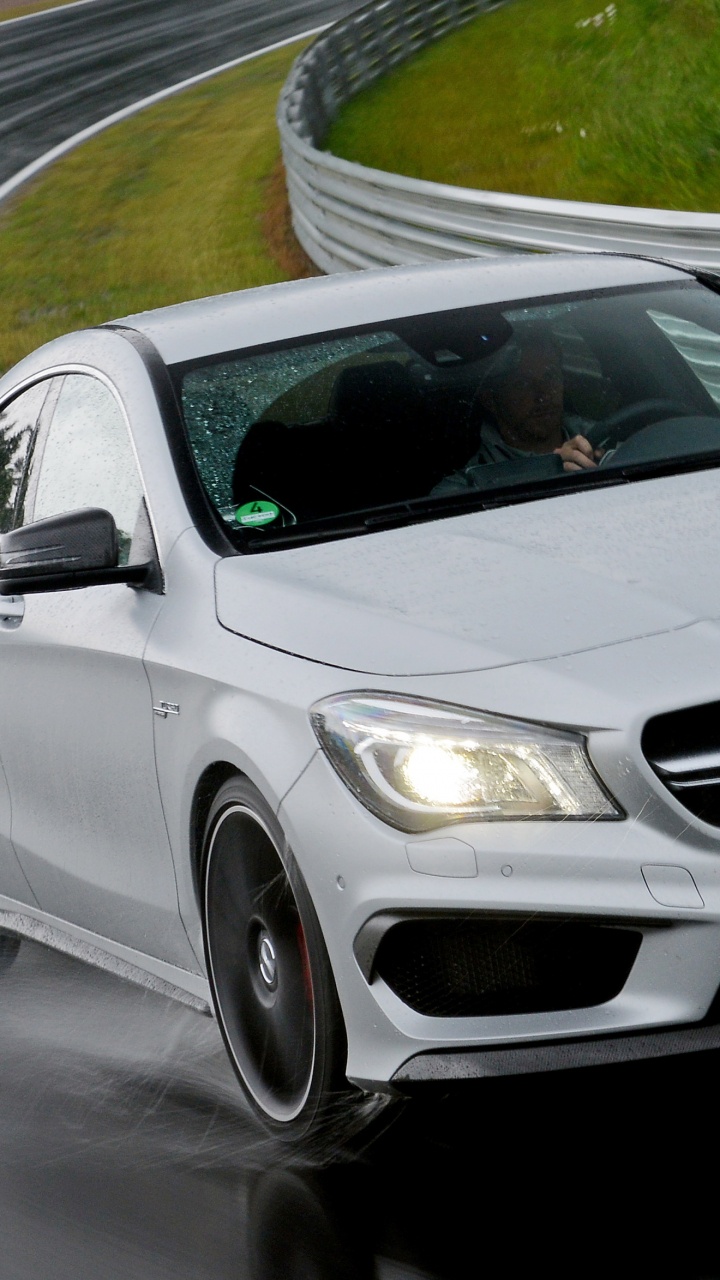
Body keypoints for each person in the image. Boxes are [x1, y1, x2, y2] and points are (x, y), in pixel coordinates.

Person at [434, 327, 601, 496]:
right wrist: (555, 470)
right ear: (490, 400)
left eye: (550, 377)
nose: (543, 395)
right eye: (522, 384)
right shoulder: (466, 488)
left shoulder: (605, 439)